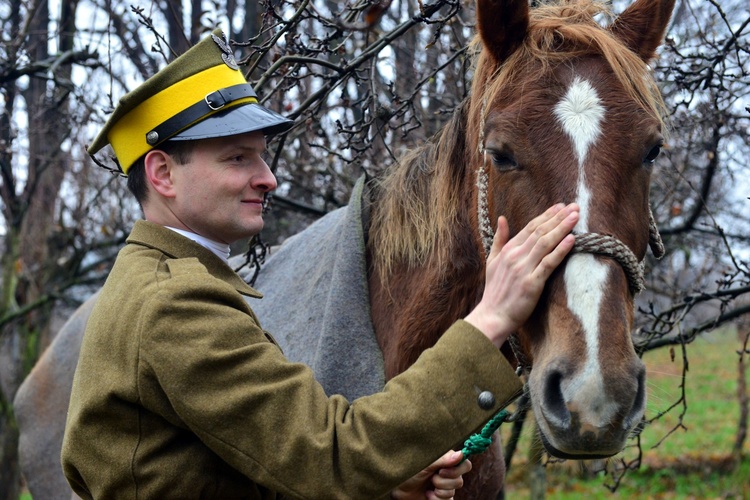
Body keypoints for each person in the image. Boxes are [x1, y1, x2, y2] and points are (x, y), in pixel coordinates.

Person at [61, 29, 579, 499]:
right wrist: (490, 319)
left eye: (262, 157)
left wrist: (385, 486)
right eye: (238, 158)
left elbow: (247, 474)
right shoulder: (173, 302)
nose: (268, 178)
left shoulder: (160, 283)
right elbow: (329, 454)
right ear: (163, 173)